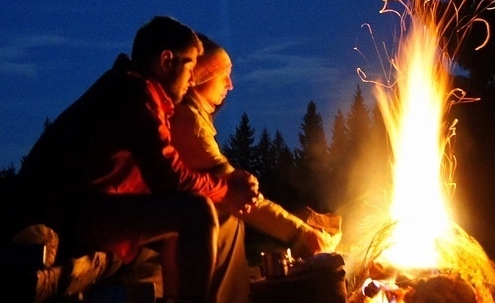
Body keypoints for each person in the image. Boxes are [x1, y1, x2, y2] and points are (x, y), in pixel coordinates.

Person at [18, 16, 261, 303]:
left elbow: (160, 178)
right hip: (67, 214)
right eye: (191, 66)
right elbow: (170, 178)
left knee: (181, 218)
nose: (193, 78)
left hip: (81, 208)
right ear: (167, 60)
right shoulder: (135, 95)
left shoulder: (134, 91)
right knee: (196, 213)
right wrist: (224, 188)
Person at [170, 33, 339, 303]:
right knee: (226, 217)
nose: (230, 85)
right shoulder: (188, 123)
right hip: (163, 228)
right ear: (201, 76)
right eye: (223, 74)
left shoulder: (193, 118)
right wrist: (301, 234)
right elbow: (241, 198)